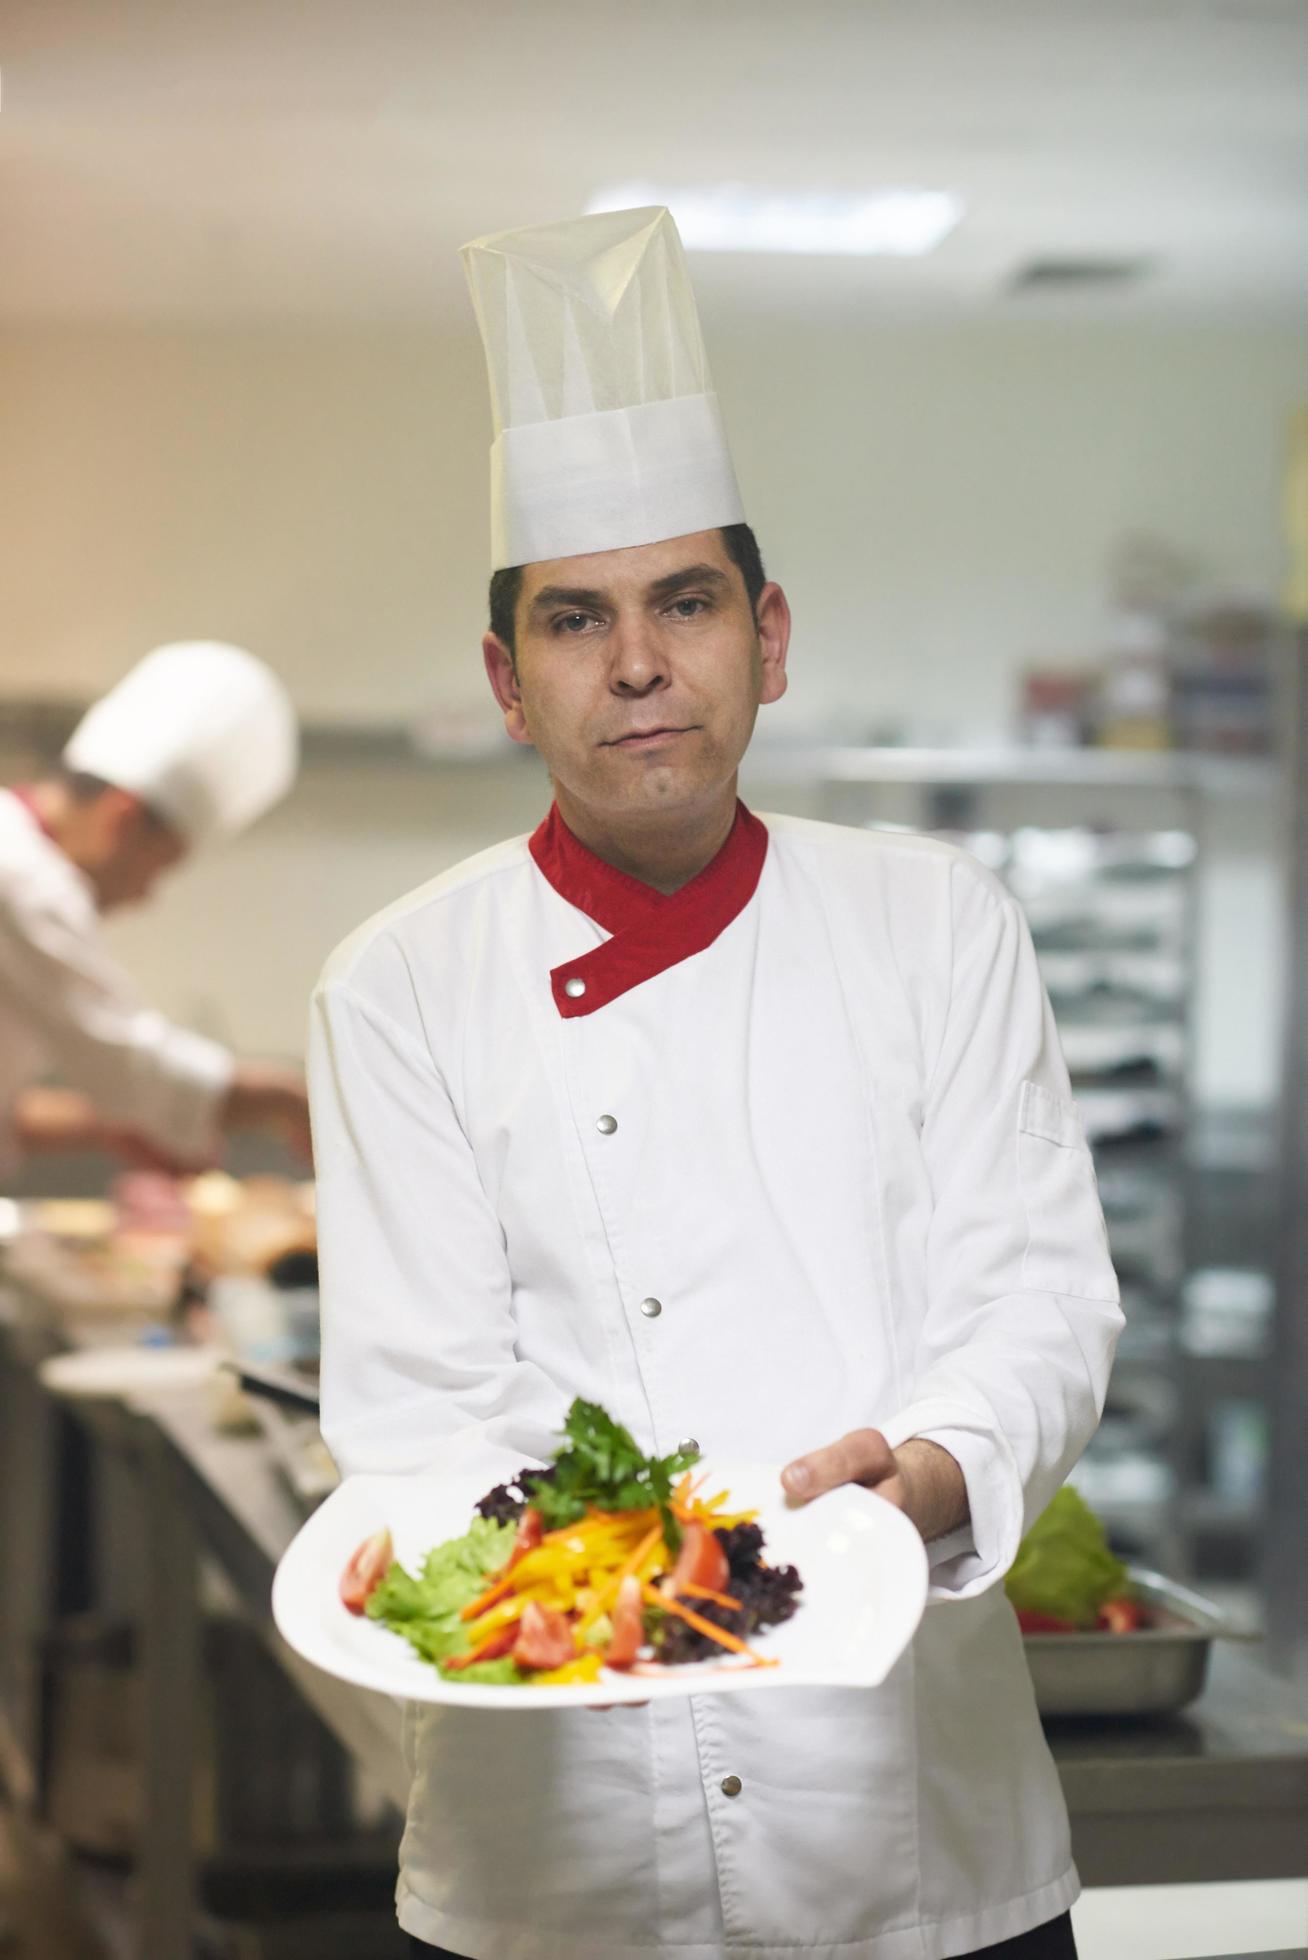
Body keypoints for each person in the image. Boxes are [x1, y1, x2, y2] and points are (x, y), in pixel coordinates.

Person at [309, 208, 1123, 1960]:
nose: (635, 663)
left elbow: (1040, 1303)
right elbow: (419, 1419)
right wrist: (622, 1600)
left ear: (767, 635)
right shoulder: (397, 987)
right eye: (573, 619)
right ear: (505, 684)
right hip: (557, 1862)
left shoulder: (936, 923)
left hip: (917, 1841)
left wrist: (935, 1470)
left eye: (684, 602)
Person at [1, 640, 311, 1180]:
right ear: (122, 820)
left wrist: (114, 1128)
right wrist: (289, 1098)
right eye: (158, 867)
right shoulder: (22, 875)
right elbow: (129, 1066)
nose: (144, 896)